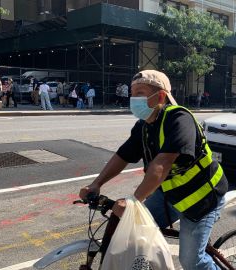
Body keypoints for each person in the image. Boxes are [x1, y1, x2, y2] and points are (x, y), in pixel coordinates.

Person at [79, 70, 228, 270]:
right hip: (170, 195)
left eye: (140, 93)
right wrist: (96, 184)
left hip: (202, 199)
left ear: (160, 96)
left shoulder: (179, 119)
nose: (133, 99)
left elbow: (163, 163)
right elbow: (122, 156)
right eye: (132, 93)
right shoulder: (143, 126)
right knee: (133, 234)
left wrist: (134, 201)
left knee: (192, 261)